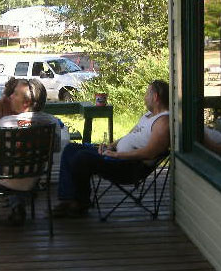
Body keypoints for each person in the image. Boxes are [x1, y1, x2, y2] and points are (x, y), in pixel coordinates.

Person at [53, 80, 170, 218]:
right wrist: (111, 146)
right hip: (115, 156)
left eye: (147, 93)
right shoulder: (147, 116)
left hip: (128, 166)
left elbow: (150, 153)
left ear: (155, 96)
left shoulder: (163, 122)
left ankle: (80, 202)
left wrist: (117, 156)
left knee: (82, 158)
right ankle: (68, 199)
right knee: (70, 149)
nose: (145, 97)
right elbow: (129, 136)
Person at [0, 79, 61, 226]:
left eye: (15, 94)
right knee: (17, 164)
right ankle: (17, 208)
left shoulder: (6, 124)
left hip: (2, 182)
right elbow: (55, 149)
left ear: (26, 103)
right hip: (33, 180)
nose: (10, 96)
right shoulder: (52, 123)